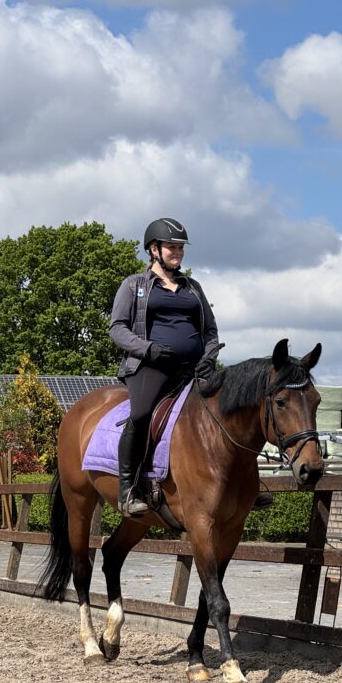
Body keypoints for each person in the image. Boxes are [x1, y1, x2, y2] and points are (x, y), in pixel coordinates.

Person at [109, 218, 220, 516]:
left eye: (181, 247)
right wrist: (148, 349)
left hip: (195, 368)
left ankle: (246, 485)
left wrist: (208, 356)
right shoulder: (134, 285)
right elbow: (117, 328)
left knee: (230, 409)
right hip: (151, 366)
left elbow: (210, 330)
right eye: (172, 247)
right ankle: (127, 490)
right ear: (153, 249)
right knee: (142, 414)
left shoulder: (193, 288)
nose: (178, 252)